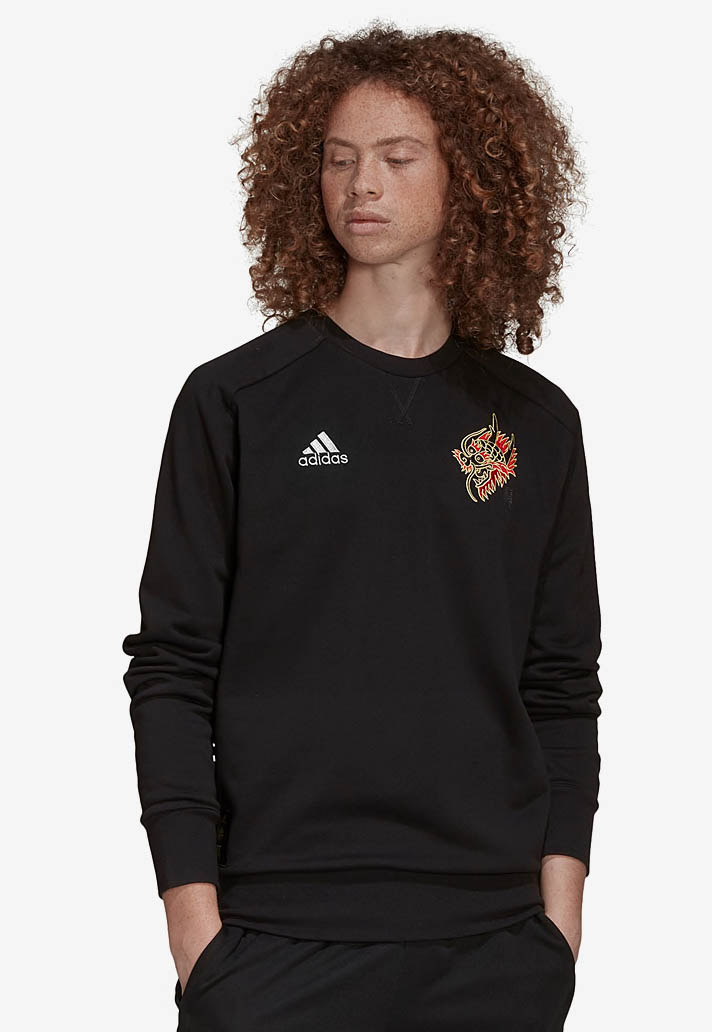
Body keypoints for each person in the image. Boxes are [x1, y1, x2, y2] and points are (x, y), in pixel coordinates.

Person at [122, 22, 603, 1031]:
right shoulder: (236, 403)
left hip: (492, 947)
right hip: (274, 938)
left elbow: (561, 683)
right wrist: (196, 934)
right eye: (339, 160)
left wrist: (558, 926)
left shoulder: (535, 423)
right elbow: (171, 668)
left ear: (469, 178)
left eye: (396, 157)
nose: (361, 186)